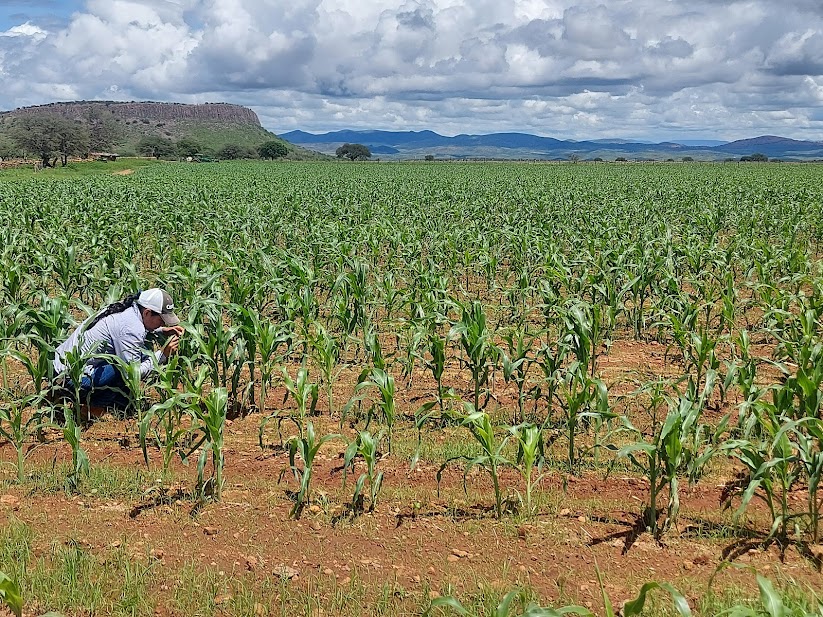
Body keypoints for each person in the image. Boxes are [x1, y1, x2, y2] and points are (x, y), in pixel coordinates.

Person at [52, 288, 184, 412]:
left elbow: (124, 330)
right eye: (162, 320)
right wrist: (163, 354)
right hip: (71, 378)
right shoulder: (130, 328)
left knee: (136, 357)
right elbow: (133, 373)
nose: (164, 323)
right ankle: (92, 408)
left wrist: (161, 330)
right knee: (122, 368)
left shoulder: (126, 309)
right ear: (147, 312)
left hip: (57, 367)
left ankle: (60, 393)